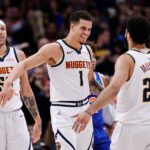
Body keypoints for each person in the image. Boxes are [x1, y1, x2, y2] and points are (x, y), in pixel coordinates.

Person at [0, 10, 94, 150]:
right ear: (72, 27)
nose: (86, 32)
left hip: (83, 110)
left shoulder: (88, 51)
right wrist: (8, 83)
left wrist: (112, 93)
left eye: (89, 29)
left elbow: (90, 81)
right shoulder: (55, 49)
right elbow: (24, 65)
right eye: (83, 28)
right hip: (63, 110)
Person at [73, 15, 150, 150]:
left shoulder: (127, 59)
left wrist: (89, 111)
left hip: (130, 127)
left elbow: (114, 88)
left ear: (128, 34)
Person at [0, 20, 41, 150]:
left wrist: (37, 119)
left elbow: (26, 90)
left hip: (15, 115)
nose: (0, 32)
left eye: (2, 29)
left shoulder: (18, 55)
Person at [86, 41, 111, 150]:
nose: (94, 60)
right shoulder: (73, 80)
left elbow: (110, 102)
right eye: (89, 57)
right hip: (82, 129)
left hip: (99, 130)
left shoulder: (103, 79)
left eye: (94, 57)